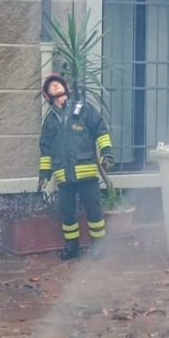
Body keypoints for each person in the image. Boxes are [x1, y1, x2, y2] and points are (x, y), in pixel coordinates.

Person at [38, 72, 114, 261]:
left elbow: (101, 130)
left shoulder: (84, 109)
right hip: (63, 176)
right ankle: (71, 246)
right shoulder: (49, 122)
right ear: (47, 95)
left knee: (94, 211)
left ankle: (98, 247)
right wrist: (44, 175)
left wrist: (107, 153)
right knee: (67, 215)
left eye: (58, 83)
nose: (55, 85)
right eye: (51, 85)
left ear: (66, 88)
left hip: (86, 172)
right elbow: (46, 150)